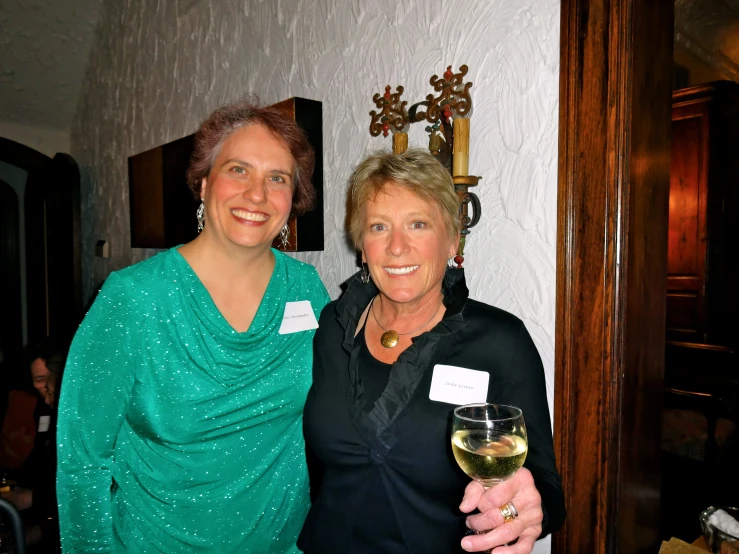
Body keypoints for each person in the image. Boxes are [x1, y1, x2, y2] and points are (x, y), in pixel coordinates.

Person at [56, 102, 329, 553]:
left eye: (277, 178)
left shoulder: (305, 288)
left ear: (293, 200)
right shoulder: (133, 298)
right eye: (238, 169)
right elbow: (82, 459)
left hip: (284, 543)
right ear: (204, 184)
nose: (257, 194)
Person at [299, 149, 565, 553]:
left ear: (452, 238)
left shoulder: (501, 342)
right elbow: (320, 469)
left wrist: (528, 510)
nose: (397, 247)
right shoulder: (332, 327)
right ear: (361, 244)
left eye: (418, 224)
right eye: (378, 227)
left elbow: (546, 488)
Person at [2, 340, 66, 551]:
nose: (42, 387)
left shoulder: (79, 414)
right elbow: (40, 456)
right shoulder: (44, 408)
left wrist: (35, 498)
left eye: (45, 380)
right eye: (37, 380)